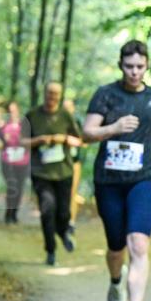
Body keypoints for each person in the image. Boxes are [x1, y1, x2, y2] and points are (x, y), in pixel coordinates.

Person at [82, 40, 151, 301]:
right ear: (120, 65)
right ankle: (114, 280)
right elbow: (87, 132)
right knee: (115, 247)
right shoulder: (106, 95)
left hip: (144, 177)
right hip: (109, 181)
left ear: (147, 66)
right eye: (128, 66)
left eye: (139, 66)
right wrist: (113, 128)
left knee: (138, 243)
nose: (134, 72)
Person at [26, 82, 82, 265]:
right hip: (41, 172)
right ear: (45, 93)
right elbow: (20, 141)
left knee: (63, 212)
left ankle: (64, 232)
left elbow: (79, 140)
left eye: (56, 94)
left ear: (60, 96)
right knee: (47, 210)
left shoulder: (66, 115)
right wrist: (39, 140)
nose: (52, 97)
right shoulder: (32, 115)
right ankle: (51, 251)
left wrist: (63, 139)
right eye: (50, 93)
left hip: (63, 171)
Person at [0, 101, 31, 224]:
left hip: (22, 161)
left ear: (18, 110)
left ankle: (14, 214)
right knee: (12, 187)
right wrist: (3, 140)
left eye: (13, 110)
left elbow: (30, 141)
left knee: (19, 188)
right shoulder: (2, 126)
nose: (11, 113)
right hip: (8, 161)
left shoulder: (24, 125)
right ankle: (8, 214)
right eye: (9, 110)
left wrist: (22, 142)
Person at [62, 97, 86, 235]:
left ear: (73, 108)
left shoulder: (77, 123)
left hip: (74, 162)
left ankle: (71, 222)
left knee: (72, 193)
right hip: (58, 163)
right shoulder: (56, 122)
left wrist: (73, 141)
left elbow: (85, 141)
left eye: (69, 107)